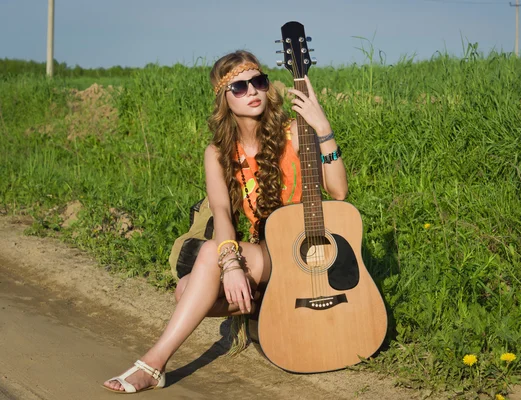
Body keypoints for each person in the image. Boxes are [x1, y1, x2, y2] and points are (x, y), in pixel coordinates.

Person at [103, 50, 348, 393]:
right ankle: (263, 302)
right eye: (239, 87)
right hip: (270, 252)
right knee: (186, 289)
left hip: (307, 252)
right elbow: (220, 212)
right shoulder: (218, 153)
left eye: (259, 82)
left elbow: (338, 190)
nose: (252, 91)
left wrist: (323, 127)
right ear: (224, 99)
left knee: (200, 271)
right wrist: (231, 264)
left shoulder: (295, 133)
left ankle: (155, 363)